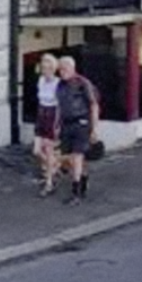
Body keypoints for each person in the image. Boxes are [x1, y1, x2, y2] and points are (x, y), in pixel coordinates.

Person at [54, 56, 101, 200]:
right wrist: (56, 124)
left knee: (77, 155)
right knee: (67, 158)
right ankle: (83, 177)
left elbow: (94, 105)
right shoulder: (60, 85)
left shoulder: (83, 83)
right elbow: (59, 106)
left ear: (72, 68)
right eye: (60, 69)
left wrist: (94, 128)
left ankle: (76, 191)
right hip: (66, 123)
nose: (62, 72)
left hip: (81, 123)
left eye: (64, 69)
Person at [31, 52, 62, 195]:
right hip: (41, 114)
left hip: (52, 115)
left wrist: (58, 124)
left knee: (49, 150)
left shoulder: (58, 83)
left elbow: (60, 105)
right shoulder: (41, 80)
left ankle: (49, 182)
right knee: (37, 150)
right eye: (43, 67)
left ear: (53, 68)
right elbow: (40, 99)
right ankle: (54, 166)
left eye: (47, 67)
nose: (44, 70)